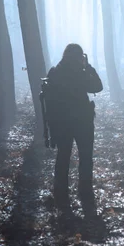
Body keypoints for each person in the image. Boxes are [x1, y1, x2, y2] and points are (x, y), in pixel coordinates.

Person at [44, 44, 103, 216]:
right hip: (83, 121)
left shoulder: (55, 72)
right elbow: (97, 87)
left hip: (62, 123)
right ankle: (85, 191)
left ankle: (61, 192)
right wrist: (88, 66)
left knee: (63, 156)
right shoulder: (81, 72)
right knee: (85, 157)